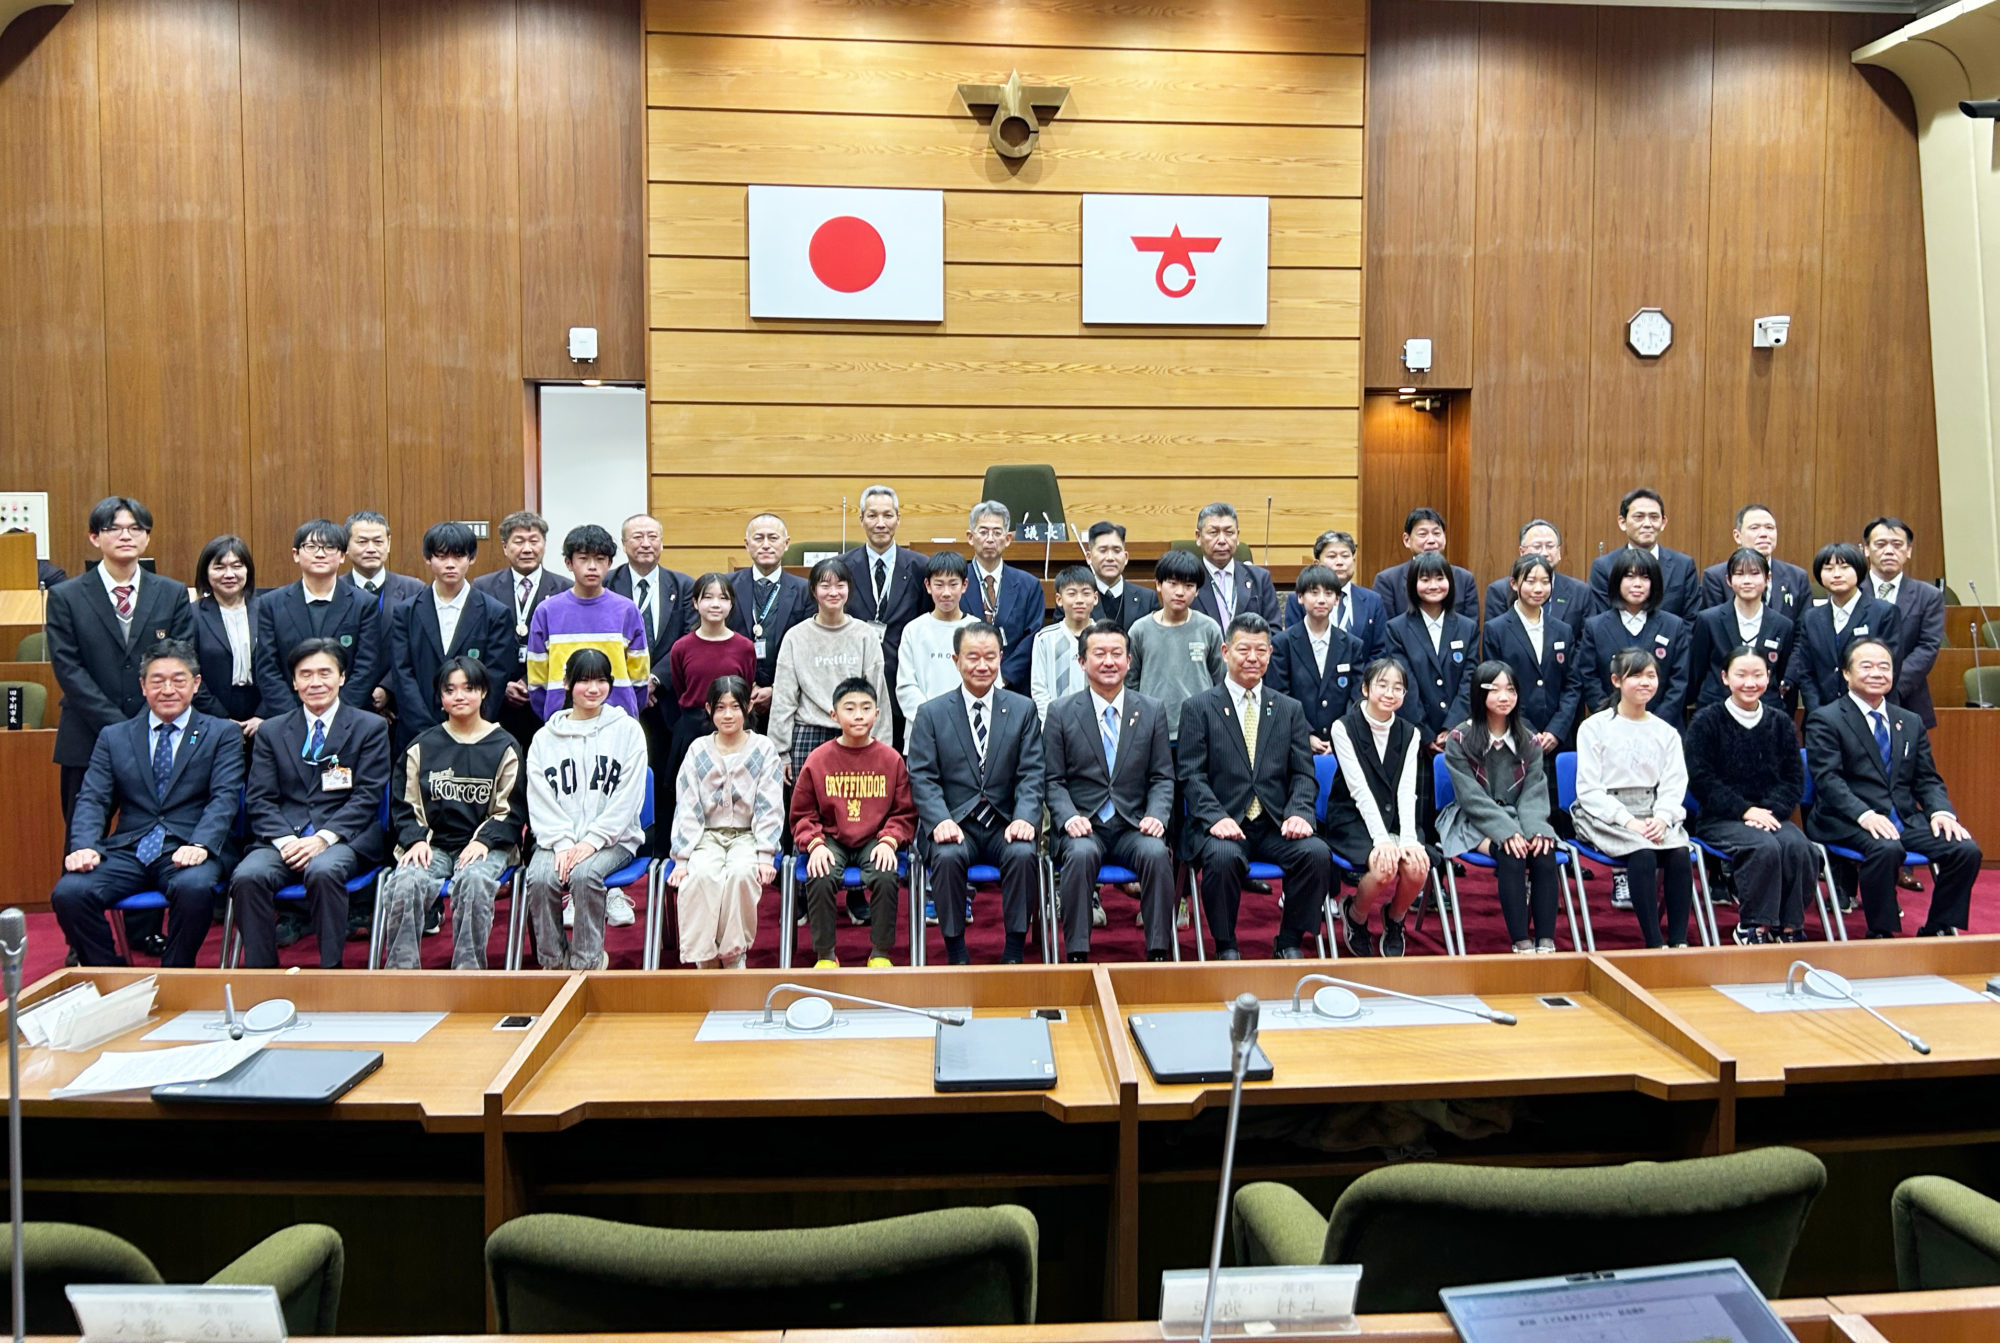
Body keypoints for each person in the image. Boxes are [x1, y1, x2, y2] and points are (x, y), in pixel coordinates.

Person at [52, 639, 243, 967]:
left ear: (195, 684)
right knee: (69, 893)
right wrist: (83, 845)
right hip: (130, 848)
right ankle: (110, 974)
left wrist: (202, 843)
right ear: (143, 686)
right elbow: (93, 797)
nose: (168, 689)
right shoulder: (115, 736)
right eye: (157, 681)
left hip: (190, 846)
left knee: (193, 888)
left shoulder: (221, 733)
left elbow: (224, 796)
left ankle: (175, 974)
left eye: (178, 680)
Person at [229, 638, 393, 968]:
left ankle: (330, 972)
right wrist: (289, 842)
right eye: (305, 674)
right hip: (282, 838)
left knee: (323, 870)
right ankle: (262, 977)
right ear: (293, 681)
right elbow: (260, 798)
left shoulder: (369, 727)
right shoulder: (272, 731)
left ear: (342, 677)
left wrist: (322, 839)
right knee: (247, 876)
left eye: (324, 673)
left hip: (344, 836)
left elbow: (367, 796)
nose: (315, 683)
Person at [1177, 613, 1332, 960]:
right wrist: (1215, 817)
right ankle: (1226, 945)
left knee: (1316, 853)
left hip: (1275, 822)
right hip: (1223, 821)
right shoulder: (1199, 707)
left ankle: (1289, 940)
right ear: (1225, 651)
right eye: (1243, 649)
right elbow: (1190, 774)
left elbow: (1304, 774)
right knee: (1222, 857)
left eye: (1260, 650)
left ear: (1270, 652)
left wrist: (1300, 813)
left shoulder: (1289, 709)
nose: (1252, 658)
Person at [1804, 638, 1979, 937]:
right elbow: (1829, 780)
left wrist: (1941, 812)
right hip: (1846, 818)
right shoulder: (1827, 719)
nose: (1877, 673)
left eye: (1884, 666)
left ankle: (1937, 928)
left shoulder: (1909, 721)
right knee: (1886, 848)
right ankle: (1883, 934)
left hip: (1903, 818)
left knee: (1965, 850)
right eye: (1867, 666)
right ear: (1846, 673)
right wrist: (1865, 815)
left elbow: (1927, 778)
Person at [46, 496, 194, 821]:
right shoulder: (65, 596)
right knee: (82, 843)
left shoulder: (172, 593)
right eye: (114, 528)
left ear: (147, 537)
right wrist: (119, 729)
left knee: (155, 837)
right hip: (86, 738)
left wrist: (143, 722)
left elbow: (181, 660)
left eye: (135, 528)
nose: (126, 536)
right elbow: (68, 669)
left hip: (158, 736)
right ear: (94, 537)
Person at [906, 623, 1044, 964]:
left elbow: (1032, 772)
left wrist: (1025, 817)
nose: (982, 666)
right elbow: (922, 776)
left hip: (1004, 822)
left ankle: (1014, 948)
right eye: (972, 657)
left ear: (1000, 658)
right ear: (956, 660)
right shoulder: (931, 713)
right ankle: (956, 950)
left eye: (990, 657)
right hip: (954, 822)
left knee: (1024, 854)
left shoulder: (1022, 709)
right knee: (948, 856)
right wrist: (939, 820)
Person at [1042, 621, 1177, 961]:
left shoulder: (1151, 710)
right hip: (1084, 825)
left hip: (1133, 825)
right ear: (1081, 662)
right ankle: (1077, 954)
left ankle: (1159, 952)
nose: (1108, 661)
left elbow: (1162, 776)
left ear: (1129, 661)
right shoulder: (1061, 713)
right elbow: (1052, 780)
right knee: (1081, 854)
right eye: (1098, 654)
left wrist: (1156, 815)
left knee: (1157, 853)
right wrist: (1068, 816)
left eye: (1117, 654)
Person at [380, 657, 525, 969]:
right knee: (405, 881)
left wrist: (485, 840)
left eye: (469, 688)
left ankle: (467, 973)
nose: (460, 696)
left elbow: (512, 809)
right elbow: (404, 805)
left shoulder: (505, 746)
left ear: (484, 692)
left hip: (486, 847)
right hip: (433, 846)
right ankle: (399, 975)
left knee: (473, 881)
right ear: (441, 697)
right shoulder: (421, 746)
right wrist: (416, 840)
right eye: (450, 690)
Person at [524, 648, 650, 970]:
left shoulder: (628, 731)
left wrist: (591, 841)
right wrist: (564, 842)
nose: (593, 689)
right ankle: (554, 964)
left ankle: (588, 963)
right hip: (556, 840)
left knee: (584, 874)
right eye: (584, 681)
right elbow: (539, 799)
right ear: (567, 684)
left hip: (614, 839)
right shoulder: (543, 739)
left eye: (601, 681)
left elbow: (628, 797)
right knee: (539, 878)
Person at [1685, 646, 1814, 945]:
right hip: (1720, 817)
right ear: (1725, 677)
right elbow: (1701, 780)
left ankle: (1789, 926)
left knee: (1800, 847)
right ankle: (1753, 925)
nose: (1749, 682)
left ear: (1768, 678)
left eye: (1757, 675)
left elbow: (1794, 779)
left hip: (1770, 817)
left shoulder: (1780, 721)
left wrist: (1766, 811)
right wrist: (1745, 811)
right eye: (1740, 675)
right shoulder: (1706, 721)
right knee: (1764, 848)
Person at [789, 677, 915, 968]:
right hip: (831, 838)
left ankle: (881, 953)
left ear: (877, 713)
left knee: (886, 873)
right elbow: (802, 813)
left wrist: (890, 840)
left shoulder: (891, 759)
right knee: (819, 872)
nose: (858, 715)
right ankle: (825, 955)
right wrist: (815, 844)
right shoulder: (818, 759)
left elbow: (905, 812)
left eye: (866, 708)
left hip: (876, 838)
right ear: (834, 715)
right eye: (849, 708)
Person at [1572, 649, 1694, 948]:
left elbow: (1674, 782)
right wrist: (1628, 820)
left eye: (1651, 676)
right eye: (1636, 676)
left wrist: (1663, 817)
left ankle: (1678, 941)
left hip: (1653, 808)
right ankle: (1653, 942)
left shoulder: (1666, 731)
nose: (1645, 683)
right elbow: (1589, 788)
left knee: (1678, 853)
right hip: (1605, 810)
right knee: (1643, 853)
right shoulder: (1594, 727)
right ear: (1616, 680)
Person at [1439, 662, 1563, 954]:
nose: (1504, 696)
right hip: (1471, 819)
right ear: (1478, 694)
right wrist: (1507, 832)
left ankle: (1546, 942)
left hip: (1521, 815)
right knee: (1511, 853)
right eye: (1494, 689)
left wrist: (1535, 830)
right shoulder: (1459, 739)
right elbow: (1471, 798)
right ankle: (1520, 942)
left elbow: (1534, 790)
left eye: (1510, 689)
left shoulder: (1529, 739)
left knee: (1544, 852)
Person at [666, 675, 782, 969]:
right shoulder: (697, 750)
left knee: (742, 874)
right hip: (707, 836)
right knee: (700, 876)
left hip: (747, 836)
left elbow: (770, 805)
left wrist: (766, 854)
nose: (728, 714)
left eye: (735, 707)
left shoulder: (764, 749)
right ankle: (704, 959)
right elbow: (687, 805)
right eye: (720, 708)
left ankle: (732, 955)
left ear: (747, 708)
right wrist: (682, 859)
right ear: (708, 710)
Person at [1324, 658, 1432, 957]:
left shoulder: (1411, 733)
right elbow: (1359, 790)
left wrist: (1408, 838)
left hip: (1397, 818)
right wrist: (1382, 840)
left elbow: (1408, 790)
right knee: (1383, 868)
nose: (1390, 692)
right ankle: (1355, 915)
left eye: (1398, 687)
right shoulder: (1343, 727)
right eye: (1382, 685)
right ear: (1365, 688)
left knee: (1417, 868)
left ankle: (1394, 918)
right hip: (1353, 818)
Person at [385, 521, 516, 753]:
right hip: (416, 736)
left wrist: (471, 725)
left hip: (475, 736)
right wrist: (427, 729)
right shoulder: (406, 612)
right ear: (428, 559)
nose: (450, 564)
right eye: (442, 556)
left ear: (471, 559)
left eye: (458, 556)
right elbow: (402, 674)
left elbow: (495, 678)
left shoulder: (495, 613)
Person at [770, 557, 892, 785]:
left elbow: (878, 695)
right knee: (808, 813)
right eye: (825, 586)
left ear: (849, 589)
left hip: (856, 733)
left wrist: (882, 746)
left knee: (856, 813)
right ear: (814, 591)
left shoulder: (865, 634)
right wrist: (780, 750)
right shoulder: (795, 637)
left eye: (840, 585)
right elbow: (784, 698)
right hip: (808, 732)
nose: (833, 592)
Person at [608, 513, 697, 805]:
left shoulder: (684, 586)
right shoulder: (607, 584)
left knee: (666, 782)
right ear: (623, 544)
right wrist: (633, 683)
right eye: (637, 537)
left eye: (652, 537)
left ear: (662, 542)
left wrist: (653, 681)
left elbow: (687, 639)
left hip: (668, 699)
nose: (646, 544)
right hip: (616, 697)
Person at [254, 518, 381, 714]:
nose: (320, 554)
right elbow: (267, 668)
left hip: (348, 717)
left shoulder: (363, 603)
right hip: (287, 717)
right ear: (296, 554)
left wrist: (337, 715)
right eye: (311, 546)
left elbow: (367, 667)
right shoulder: (271, 603)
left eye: (330, 547)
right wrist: (293, 716)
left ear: (342, 556)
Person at [526, 524, 650, 721]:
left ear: (609, 563)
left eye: (600, 559)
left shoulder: (627, 610)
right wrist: (552, 713)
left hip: (618, 720)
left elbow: (640, 677)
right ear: (568, 563)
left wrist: (627, 710)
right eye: (583, 559)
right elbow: (536, 679)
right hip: (562, 720)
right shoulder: (547, 611)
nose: (592, 566)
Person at [472, 510, 573, 750]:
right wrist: (502, 683)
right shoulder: (482, 587)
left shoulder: (564, 589)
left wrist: (531, 681)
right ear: (505, 547)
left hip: (547, 696)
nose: (527, 548)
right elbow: (478, 642)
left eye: (534, 541)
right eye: (519, 541)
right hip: (497, 698)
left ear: (544, 545)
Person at [842, 486, 932, 744]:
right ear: (861, 519)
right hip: (856, 677)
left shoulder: (920, 567)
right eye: (872, 516)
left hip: (903, 677)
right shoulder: (844, 568)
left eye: (887, 515)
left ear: (898, 518)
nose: (880, 523)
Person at [1577, 547, 1691, 729]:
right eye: (1629, 576)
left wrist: (1653, 722)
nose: (1637, 584)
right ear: (1616, 581)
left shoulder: (1673, 626)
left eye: (1645, 577)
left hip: (1662, 727)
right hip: (1610, 727)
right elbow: (1589, 678)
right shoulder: (1595, 627)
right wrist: (1613, 718)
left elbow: (1679, 681)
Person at [1479, 555, 1582, 751]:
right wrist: (1527, 730)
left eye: (1545, 582)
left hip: (1558, 738)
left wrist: (1556, 730)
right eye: (1530, 581)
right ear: (1514, 583)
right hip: (1514, 734)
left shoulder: (1563, 630)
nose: (1538, 589)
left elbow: (1573, 684)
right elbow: (1494, 686)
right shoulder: (1496, 629)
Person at [664, 573, 757, 785]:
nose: (715, 604)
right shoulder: (681, 647)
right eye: (708, 597)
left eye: (723, 598)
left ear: (732, 604)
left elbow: (745, 684)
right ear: (696, 603)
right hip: (692, 731)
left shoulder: (745, 647)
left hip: (733, 727)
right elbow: (681, 688)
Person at [1129, 547, 1225, 743]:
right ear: (1158, 584)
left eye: (1189, 586)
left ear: (1197, 591)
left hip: (1199, 729)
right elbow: (1130, 682)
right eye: (1172, 584)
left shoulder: (1209, 628)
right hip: (1152, 730)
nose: (1180, 592)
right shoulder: (1139, 630)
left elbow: (1221, 680)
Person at [1382, 552, 1476, 751]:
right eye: (1425, 579)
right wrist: (1424, 734)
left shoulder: (1467, 627)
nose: (1433, 586)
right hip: (1413, 735)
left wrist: (1452, 726)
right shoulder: (1396, 628)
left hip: (1461, 734)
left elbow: (1470, 679)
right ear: (1413, 585)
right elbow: (1404, 683)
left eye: (1440, 578)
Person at [1793, 542, 1899, 715]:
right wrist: (1818, 712)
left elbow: (1890, 667)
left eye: (1844, 567)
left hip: (1869, 713)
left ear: (1858, 570)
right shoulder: (1811, 617)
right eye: (1828, 568)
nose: (1836, 574)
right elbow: (1806, 672)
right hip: (1822, 716)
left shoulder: (1884, 612)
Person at [1270, 562, 1364, 752]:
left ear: (1337, 599)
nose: (1321, 600)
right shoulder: (1283, 643)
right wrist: (1306, 734)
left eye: (1329, 594)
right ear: (1300, 598)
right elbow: (1279, 694)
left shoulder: (1352, 644)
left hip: (1343, 743)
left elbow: (1357, 696)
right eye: (1314, 593)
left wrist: (1340, 734)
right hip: (1295, 744)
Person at [726, 512, 814, 716]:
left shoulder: (804, 590)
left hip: (789, 699)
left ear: (786, 543)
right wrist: (747, 688)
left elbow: (807, 648)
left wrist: (776, 690)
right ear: (747, 545)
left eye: (773, 538)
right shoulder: (726, 587)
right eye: (759, 538)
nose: (766, 545)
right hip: (735, 698)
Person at [1687, 548, 1794, 715]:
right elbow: (1696, 671)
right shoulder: (1708, 620)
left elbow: (1779, 672)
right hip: (1715, 709)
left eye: (1754, 574)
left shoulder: (1783, 625)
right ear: (1728, 580)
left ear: (1768, 579)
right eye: (1739, 574)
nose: (1747, 580)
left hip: (1766, 710)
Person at [1862, 515, 1944, 729]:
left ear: (1908, 551)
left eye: (1897, 545)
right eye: (1880, 544)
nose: (1889, 551)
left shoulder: (1929, 595)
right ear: (1866, 550)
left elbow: (1928, 646)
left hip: (1908, 698)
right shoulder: (1851, 592)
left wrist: (1890, 684)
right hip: (1855, 695)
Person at [960, 501, 1042, 689]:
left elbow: (1032, 637)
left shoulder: (1028, 585)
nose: (990, 539)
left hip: (1014, 687)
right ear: (970, 537)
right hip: (964, 682)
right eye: (983, 532)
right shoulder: (956, 582)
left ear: (1008, 539)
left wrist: (1004, 676)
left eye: (997, 533)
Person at [189, 534, 264, 730]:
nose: (229, 574)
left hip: (263, 713)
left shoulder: (268, 610)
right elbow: (189, 672)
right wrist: (220, 718)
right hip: (210, 714)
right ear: (205, 572)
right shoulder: (192, 615)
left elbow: (281, 667)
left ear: (248, 570)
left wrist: (265, 715)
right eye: (219, 567)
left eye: (237, 566)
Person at [1588, 488, 1699, 618]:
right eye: (1639, 517)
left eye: (1654, 517)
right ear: (1622, 522)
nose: (1647, 524)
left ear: (1663, 523)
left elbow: (1691, 618)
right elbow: (1601, 619)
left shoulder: (1684, 565)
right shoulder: (1604, 566)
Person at [894, 550, 976, 725]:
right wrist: (932, 721)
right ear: (928, 585)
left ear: (964, 585)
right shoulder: (913, 630)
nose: (946, 593)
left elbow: (990, 681)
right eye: (939, 584)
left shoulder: (977, 630)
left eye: (953, 584)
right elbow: (906, 686)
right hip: (922, 728)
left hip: (969, 727)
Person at [1285, 530, 1386, 659]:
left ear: (1353, 561)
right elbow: (1294, 647)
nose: (1340, 562)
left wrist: (1362, 678)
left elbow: (1380, 651)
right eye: (1332, 556)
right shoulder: (1299, 600)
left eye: (1345, 556)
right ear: (1317, 563)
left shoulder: (1373, 600)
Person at [1698, 504, 1811, 618]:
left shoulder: (1797, 577)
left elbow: (1803, 630)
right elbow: (1713, 626)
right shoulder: (1716, 577)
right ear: (1737, 536)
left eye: (1769, 527)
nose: (1763, 534)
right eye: (1754, 528)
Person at [1483, 519, 1597, 629]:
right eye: (1537, 546)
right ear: (1522, 552)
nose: (1544, 553)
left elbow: (1586, 642)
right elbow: (1496, 637)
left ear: (1559, 552)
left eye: (1550, 546)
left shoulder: (1580, 592)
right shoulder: (1499, 591)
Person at [1371, 507, 1478, 620]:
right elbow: (1386, 630)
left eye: (1437, 533)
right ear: (1407, 540)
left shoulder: (1464, 579)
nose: (1431, 540)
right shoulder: (1387, 581)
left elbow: (1471, 629)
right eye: (1423, 534)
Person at [1191, 501, 1281, 630]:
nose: (1222, 540)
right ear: (1198, 537)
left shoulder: (1260, 578)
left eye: (1229, 532)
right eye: (1213, 532)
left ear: (1237, 536)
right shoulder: (1188, 580)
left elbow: (1274, 630)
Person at [1031, 564, 1097, 722]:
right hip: (1055, 725)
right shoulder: (1045, 638)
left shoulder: (1105, 637)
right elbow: (1039, 689)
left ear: (1095, 598)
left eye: (1086, 593)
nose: (1079, 600)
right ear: (1059, 599)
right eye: (1072, 594)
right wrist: (1051, 723)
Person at [342, 511, 426, 612]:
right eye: (362, 542)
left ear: (389, 543)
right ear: (346, 545)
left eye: (378, 542)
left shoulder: (414, 590)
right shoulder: (335, 590)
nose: (371, 549)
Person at [1086, 520, 1159, 631]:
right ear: (1089, 557)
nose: (1110, 558)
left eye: (1116, 550)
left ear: (1125, 557)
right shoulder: (1076, 600)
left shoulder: (1147, 599)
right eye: (1103, 550)